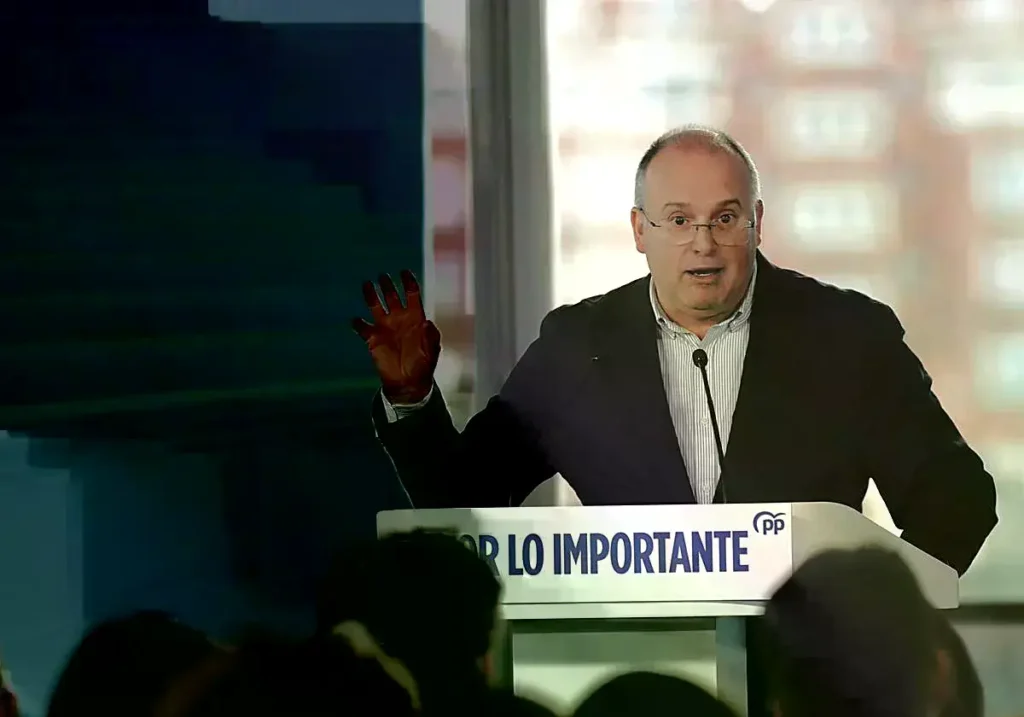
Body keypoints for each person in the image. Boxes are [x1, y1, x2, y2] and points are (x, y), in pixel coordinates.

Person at [353, 124, 997, 576]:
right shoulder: (578, 348)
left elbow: (958, 497)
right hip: (636, 679)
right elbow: (465, 504)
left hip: (816, 682)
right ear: (640, 230)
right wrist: (410, 398)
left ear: (756, 222)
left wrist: (885, 619)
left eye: (725, 217)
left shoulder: (848, 336)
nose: (704, 243)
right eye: (680, 219)